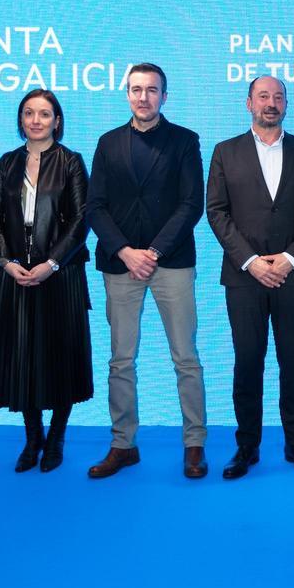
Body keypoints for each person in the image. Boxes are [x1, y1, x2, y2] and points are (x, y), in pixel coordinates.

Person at [85, 62, 208, 479]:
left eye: (152, 90)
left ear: (164, 96)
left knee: (186, 358)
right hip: (120, 265)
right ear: (127, 95)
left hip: (171, 262)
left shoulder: (185, 141)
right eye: (136, 89)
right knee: (121, 360)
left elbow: (191, 204)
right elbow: (95, 206)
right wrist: (125, 251)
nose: (143, 97)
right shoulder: (107, 143)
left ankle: (194, 444)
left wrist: (152, 251)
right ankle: (123, 445)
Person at [206, 76, 294, 479]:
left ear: (286, 103)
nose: (271, 103)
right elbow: (216, 212)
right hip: (244, 278)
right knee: (247, 362)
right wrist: (251, 261)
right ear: (249, 103)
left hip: (293, 276)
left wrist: (291, 259)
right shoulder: (225, 151)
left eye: (278, 97)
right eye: (263, 96)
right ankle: (247, 446)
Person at [0, 89, 94, 473]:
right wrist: (5, 261)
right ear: (21, 119)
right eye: (29, 113)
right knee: (22, 357)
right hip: (16, 274)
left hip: (60, 274)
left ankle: (57, 438)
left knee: (61, 356)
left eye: (44, 114)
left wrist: (52, 263)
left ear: (56, 121)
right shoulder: (7, 162)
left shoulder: (71, 162)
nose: (36, 120)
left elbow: (81, 219)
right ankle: (33, 438)